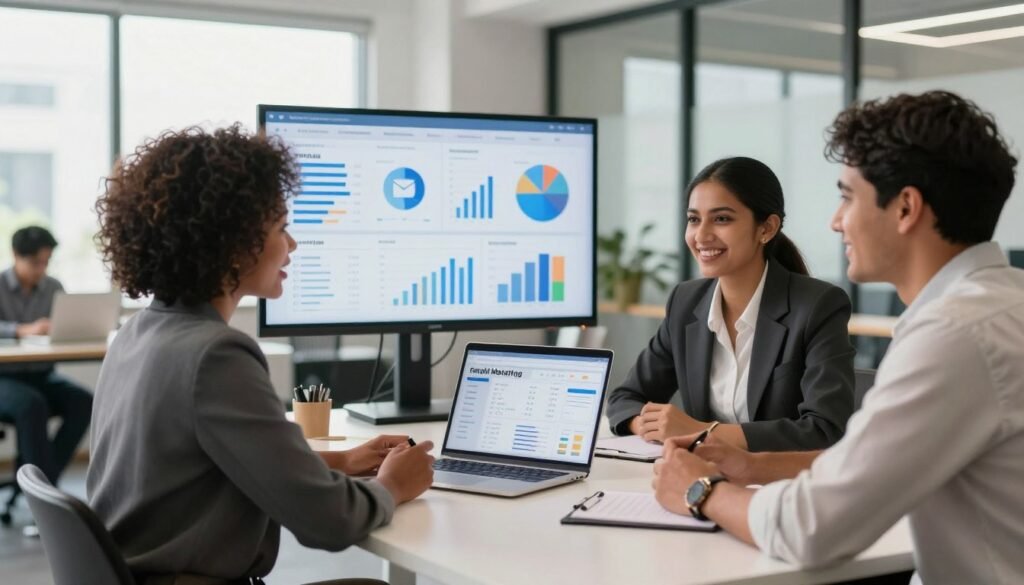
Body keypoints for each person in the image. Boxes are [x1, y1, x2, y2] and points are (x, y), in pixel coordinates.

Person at [652, 91, 1024, 584]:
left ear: (906, 208)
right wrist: (752, 466)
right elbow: (875, 460)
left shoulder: (955, 335)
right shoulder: (997, 304)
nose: (835, 221)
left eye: (847, 196)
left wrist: (701, 491)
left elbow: (811, 530)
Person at [87, 125, 435, 585]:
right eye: (281, 228)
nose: (291, 245)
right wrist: (393, 486)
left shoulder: (138, 333)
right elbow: (329, 522)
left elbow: (224, 463)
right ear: (233, 245)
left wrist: (345, 461)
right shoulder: (216, 355)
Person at [606, 156, 855, 452]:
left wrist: (701, 432)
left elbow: (823, 430)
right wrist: (651, 426)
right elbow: (625, 398)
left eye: (722, 219)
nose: (701, 235)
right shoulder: (686, 302)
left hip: (777, 485)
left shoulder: (817, 305)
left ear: (766, 228)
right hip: (699, 478)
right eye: (694, 219)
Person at [0, 226, 93, 487]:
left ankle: (42, 480)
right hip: (4, 378)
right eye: (35, 262)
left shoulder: (54, 287)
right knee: (32, 405)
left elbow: (66, 322)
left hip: (41, 375)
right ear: (15, 254)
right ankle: (43, 489)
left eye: (46, 262)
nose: (41, 269)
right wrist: (21, 330)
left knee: (84, 402)